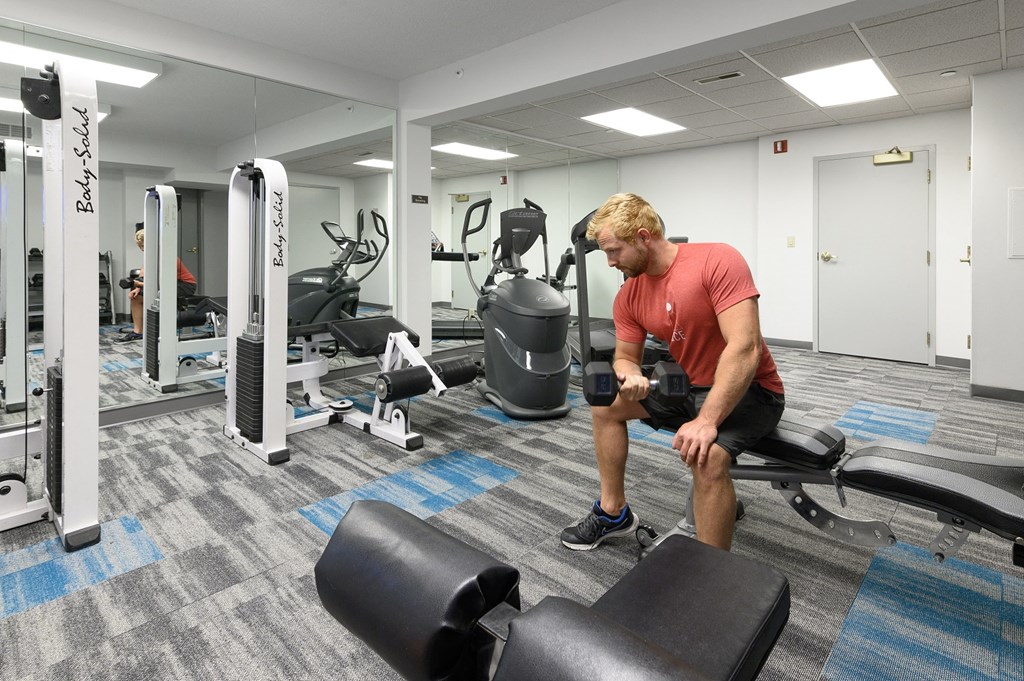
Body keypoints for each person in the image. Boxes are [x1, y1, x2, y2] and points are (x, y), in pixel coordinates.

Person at [561, 193, 785, 552]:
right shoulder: (629, 294)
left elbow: (745, 348)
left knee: (706, 455)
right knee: (605, 407)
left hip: (753, 389)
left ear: (643, 237)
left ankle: (708, 571)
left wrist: (707, 419)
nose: (609, 262)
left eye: (614, 251)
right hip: (686, 385)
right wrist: (629, 374)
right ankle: (613, 512)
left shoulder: (717, 260)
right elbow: (625, 357)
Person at [115, 227, 197, 343]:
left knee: (159, 293)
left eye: (144, 246)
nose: (142, 249)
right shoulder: (150, 256)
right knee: (136, 297)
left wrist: (140, 284)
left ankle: (165, 332)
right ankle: (138, 333)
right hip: (166, 284)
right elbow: (143, 274)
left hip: (185, 285)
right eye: (140, 247)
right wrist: (137, 287)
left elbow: (164, 282)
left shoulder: (166, 256)